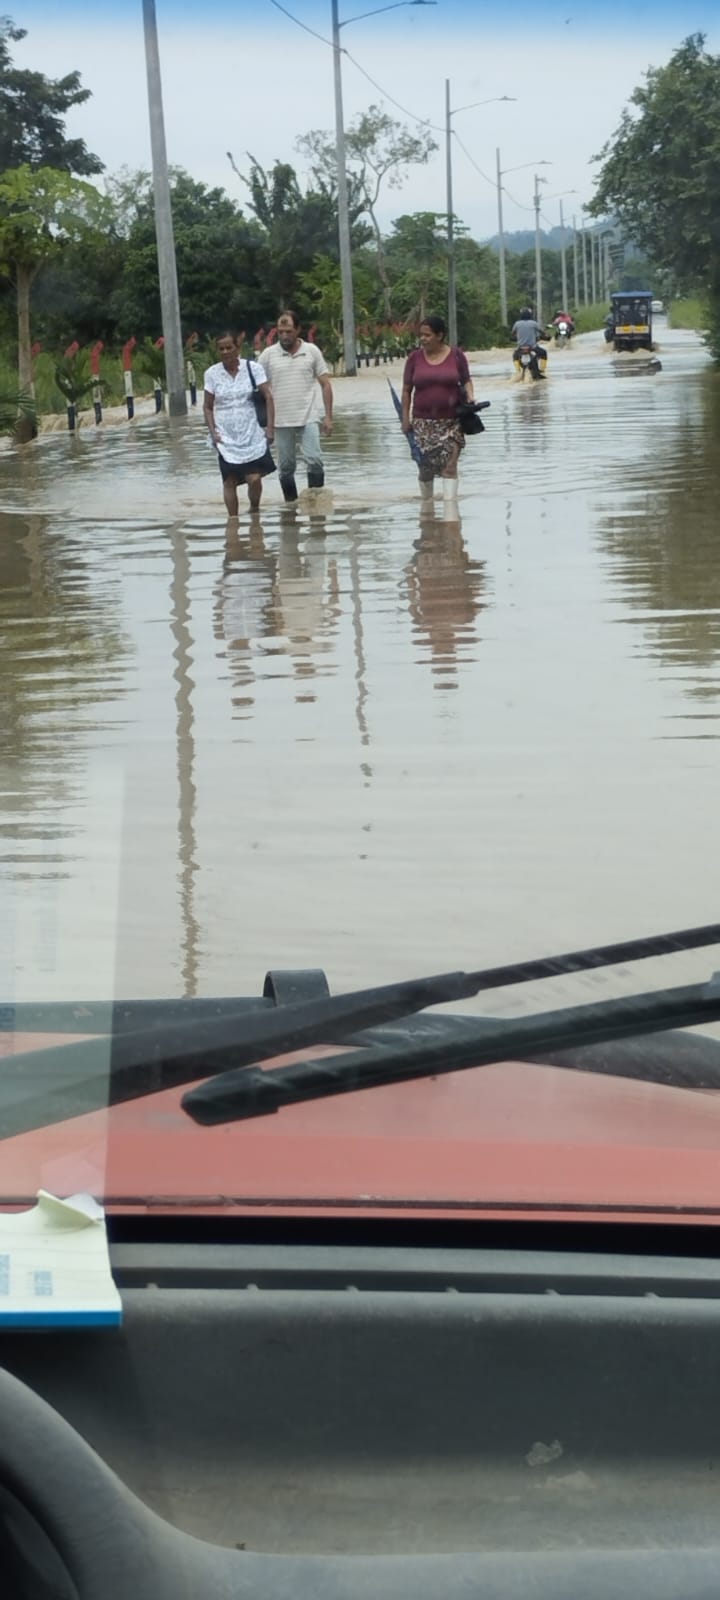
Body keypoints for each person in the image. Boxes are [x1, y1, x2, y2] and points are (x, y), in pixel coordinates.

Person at [400, 315, 474, 517]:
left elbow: (466, 381)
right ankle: (427, 511)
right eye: (421, 335)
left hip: (452, 422)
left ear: (440, 335)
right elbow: (406, 389)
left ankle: (451, 516)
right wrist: (405, 419)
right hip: (422, 423)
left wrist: (470, 396)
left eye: (427, 335)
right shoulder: (414, 359)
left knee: (450, 467)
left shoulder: (457, 356)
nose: (423, 339)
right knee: (426, 469)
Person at [258, 311, 333, 504]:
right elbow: (258, 388)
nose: (284, 336)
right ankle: (290, 507)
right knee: (286, 467)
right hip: (280, 420)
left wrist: (328, 417)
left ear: (298, 330)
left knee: (315, 460)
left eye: (289, 331)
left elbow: (325, 384)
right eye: (281, 332)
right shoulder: (268, 355)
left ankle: (316, 504)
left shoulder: (311, 351)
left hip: (309, 416)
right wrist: (264, 423)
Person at [203, 332, 275, 517]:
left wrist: (270, 428)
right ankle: (233, 521)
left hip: (251, 432)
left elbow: (268, 397)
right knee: (229, 480)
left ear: (238, 348)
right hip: (225, 435)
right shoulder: (211, 374)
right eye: (221, 349)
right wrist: (213, 432)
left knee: (254, 478)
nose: (225, 352)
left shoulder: (253, 369)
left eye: (229, 347)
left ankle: (254, 510)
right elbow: (208, 406)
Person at [510, 307, 547, 378]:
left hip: (520, 348)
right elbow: (542, 332)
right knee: (544, 353)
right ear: (530, 315)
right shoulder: (534, 323)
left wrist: (515, 337)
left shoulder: (517, 324)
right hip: (532, 347)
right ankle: (542, 370)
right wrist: (546, 335)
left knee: (515, 356)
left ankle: (518, 371)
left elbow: (512, 334)